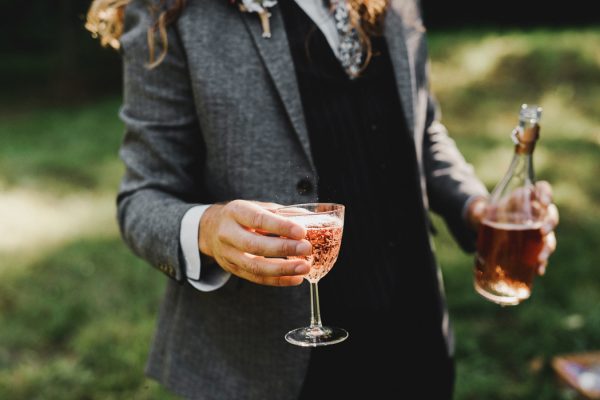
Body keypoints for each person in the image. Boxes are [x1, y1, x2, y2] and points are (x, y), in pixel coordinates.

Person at [87, 0, 558, 399]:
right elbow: (142, 196)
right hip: (267, 366)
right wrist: (207, 230)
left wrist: (477, 207)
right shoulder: (167, 14)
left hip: (414, 335)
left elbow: (422, 130)